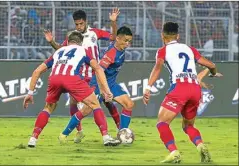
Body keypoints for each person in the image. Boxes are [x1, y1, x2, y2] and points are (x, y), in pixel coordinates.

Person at [143, 22, 222, 163]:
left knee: (162, 123)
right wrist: (213, 73)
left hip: (180, 88)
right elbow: (211, 65)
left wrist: (148, 88)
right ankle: (200, 145)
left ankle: (174, 152)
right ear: (178, 36)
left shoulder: (162, 51)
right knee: (188, 126)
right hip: (195, 89)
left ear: (162, 35)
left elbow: (157, 69)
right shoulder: (189, 49)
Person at [25, 31, 120, 147]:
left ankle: (33, 139)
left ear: (68, 41)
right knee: (95, 104)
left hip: (54, 79)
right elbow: (98, 69)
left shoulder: (58, 51)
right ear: (81, 42)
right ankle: (106, 137)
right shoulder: (83, 50)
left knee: (48, 108)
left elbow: (37, 71)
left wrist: (30, 93)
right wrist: (107, 90)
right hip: (72, 79)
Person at [44, 9, 121, 143]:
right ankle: (80, 131)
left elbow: (113, 37)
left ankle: (109, 133)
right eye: (76, 24)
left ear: (86, 22)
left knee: (96, 105)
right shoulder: (72, 37)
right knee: (75, 103)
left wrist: (113, 22)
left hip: (93, 75)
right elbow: (61, 50)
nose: (79, 27)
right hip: (77, 75)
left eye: (81, 24)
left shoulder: (94, 33)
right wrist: (51, 42)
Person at [59, 26, 134, 140]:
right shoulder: (111, 54)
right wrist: (104, 90)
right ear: (118, 39)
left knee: (129, 104)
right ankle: (64, 134)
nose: (128, 44)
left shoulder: (120, 48)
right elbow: (99, 71)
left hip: (111, 83)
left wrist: (113, 21)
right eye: (126, 41)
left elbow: (112, 35)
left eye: (129, 41)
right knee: (86, 110)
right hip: (99, 84)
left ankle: (121, 135)